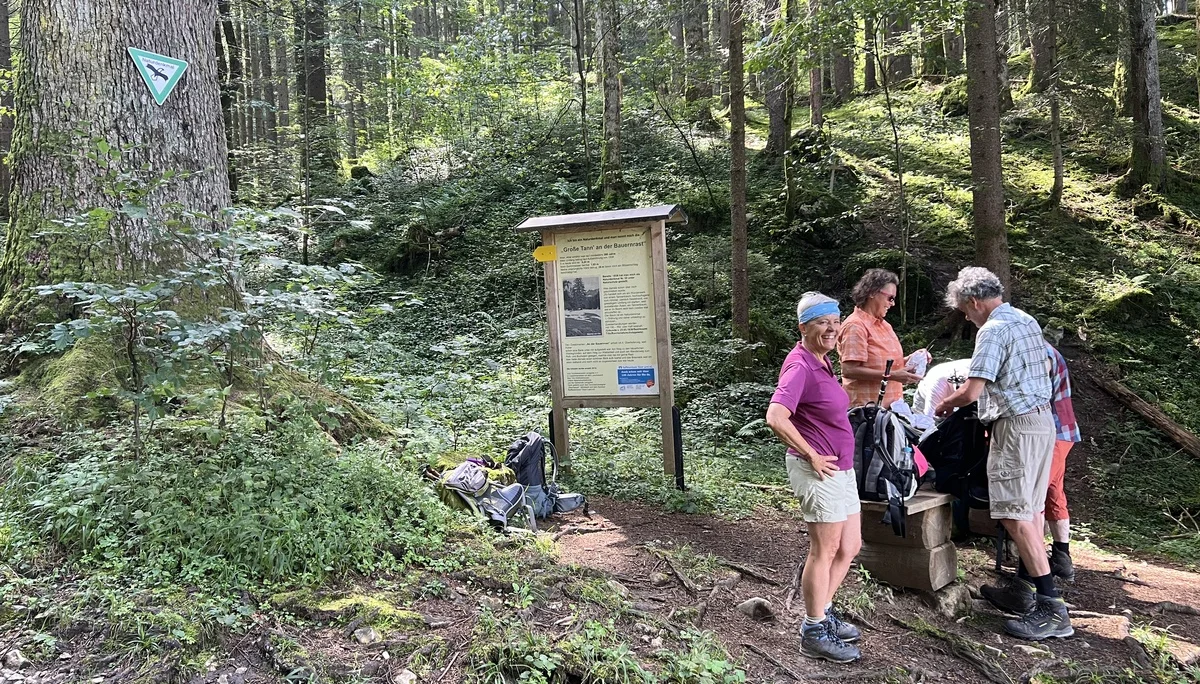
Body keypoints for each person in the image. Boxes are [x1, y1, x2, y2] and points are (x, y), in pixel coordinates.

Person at [934, 267, 1072, 641]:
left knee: (1015, 515)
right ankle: (1023, 590)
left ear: (974, 301)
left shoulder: (992, 330)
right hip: (1042, 423)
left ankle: (1052, 609)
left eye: (965, 310)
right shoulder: (1025, 320)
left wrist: (944, 404)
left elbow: (972, 391)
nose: (966, 317)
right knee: (1032, 511)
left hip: (1017, 429)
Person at [765, 292, 863, 664]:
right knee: (824, 551)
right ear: (803, 327)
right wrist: (811, 453)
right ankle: (813, 630)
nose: (832, 329)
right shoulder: (800, 366)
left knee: (849, 546)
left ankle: (824, 610)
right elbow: (776, 416)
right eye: (823, 322)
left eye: (835, 322)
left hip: (841, 468)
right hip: (818, 471)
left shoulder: (823, 361)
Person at [837, 269, 930, 408]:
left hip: (891, 409)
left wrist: (913, 360)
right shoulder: (855, 326)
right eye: (890, 298)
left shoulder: (885, 325)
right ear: (872, 293)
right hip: (865, 412)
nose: (892, 304)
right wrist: (892, 375)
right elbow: (849, 370)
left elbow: (885, 365)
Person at [1045, 342, 1081, 581]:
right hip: (1062, 430)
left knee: (1034, 496)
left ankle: (1030, 573)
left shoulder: (1040, 352)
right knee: (1053, 492)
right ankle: (1061, 559)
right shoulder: (1047, 350)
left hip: (1052, 431)